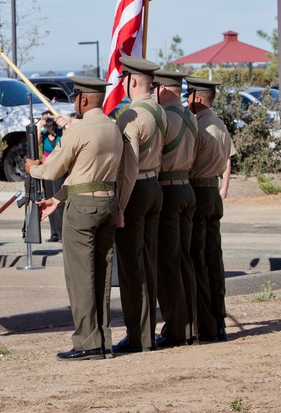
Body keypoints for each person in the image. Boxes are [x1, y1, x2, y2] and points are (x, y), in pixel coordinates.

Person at [24, 76, 137, 361]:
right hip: (109, 203)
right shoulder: (113, 128)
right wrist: (60, 197)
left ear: (83, 100)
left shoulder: (79, 130)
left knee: (80, 277)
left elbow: (52, 171)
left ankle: (87, 342)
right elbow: (110, 172)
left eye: (75, 97)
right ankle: (102, 338)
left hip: (83, 208)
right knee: (100, 275)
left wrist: (33, 168)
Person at [111, 56, 165, 354]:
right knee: (149, 263)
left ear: (132, 81)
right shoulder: (159, 111)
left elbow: (128, 168)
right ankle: (149, 331)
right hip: (155, 186)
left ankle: (138, 335)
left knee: (132, 269)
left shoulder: (130, 116)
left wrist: (120, 206)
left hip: (135, 190)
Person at [186, 77, 235, 342]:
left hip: (198, 191)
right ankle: (218, 320)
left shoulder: (198, 126)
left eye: (188, 96)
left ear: (196, 97)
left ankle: (205, 322)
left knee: (198, 259)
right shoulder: (220, 125)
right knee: (214, 258)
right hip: (213, 192)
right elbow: (227, 159)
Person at [153, 69, 199, 348]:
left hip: (169, 189)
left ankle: (176, 328)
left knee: (168, 264)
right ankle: (189, 323)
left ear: (163, 89)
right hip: (187, 187)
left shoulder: (166, 118)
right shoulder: (191, 117)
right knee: (184, 261)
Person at [38, 113, 65, 242]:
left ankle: (61, 232)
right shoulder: (43, 135)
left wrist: (54, 117)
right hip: (47, 170)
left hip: (59, 170)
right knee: (49, 198)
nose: (49, 125)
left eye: (50, 122)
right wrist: (40, 125)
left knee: (58, 199)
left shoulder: (60, 133)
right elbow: (36, 142)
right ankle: (54, 232)